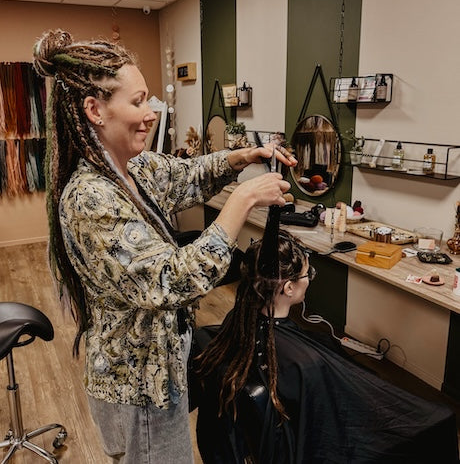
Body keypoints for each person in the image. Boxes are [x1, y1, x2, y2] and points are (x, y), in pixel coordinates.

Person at [32, 29, 296, 464]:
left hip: (160, 365)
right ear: (94, 110)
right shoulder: (90, 198)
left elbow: (188, 175)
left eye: (149, 100)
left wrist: (243, 157)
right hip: (139, 383)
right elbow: (173, 281)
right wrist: (244, 200)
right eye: (137, 102)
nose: (151, 112)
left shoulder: (133, 167)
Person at [194, 230, 459, 464]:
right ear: (288, 287)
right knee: (441, 419)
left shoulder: (236, 319)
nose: (309, 278)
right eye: (307, 274)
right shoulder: (305, 364)